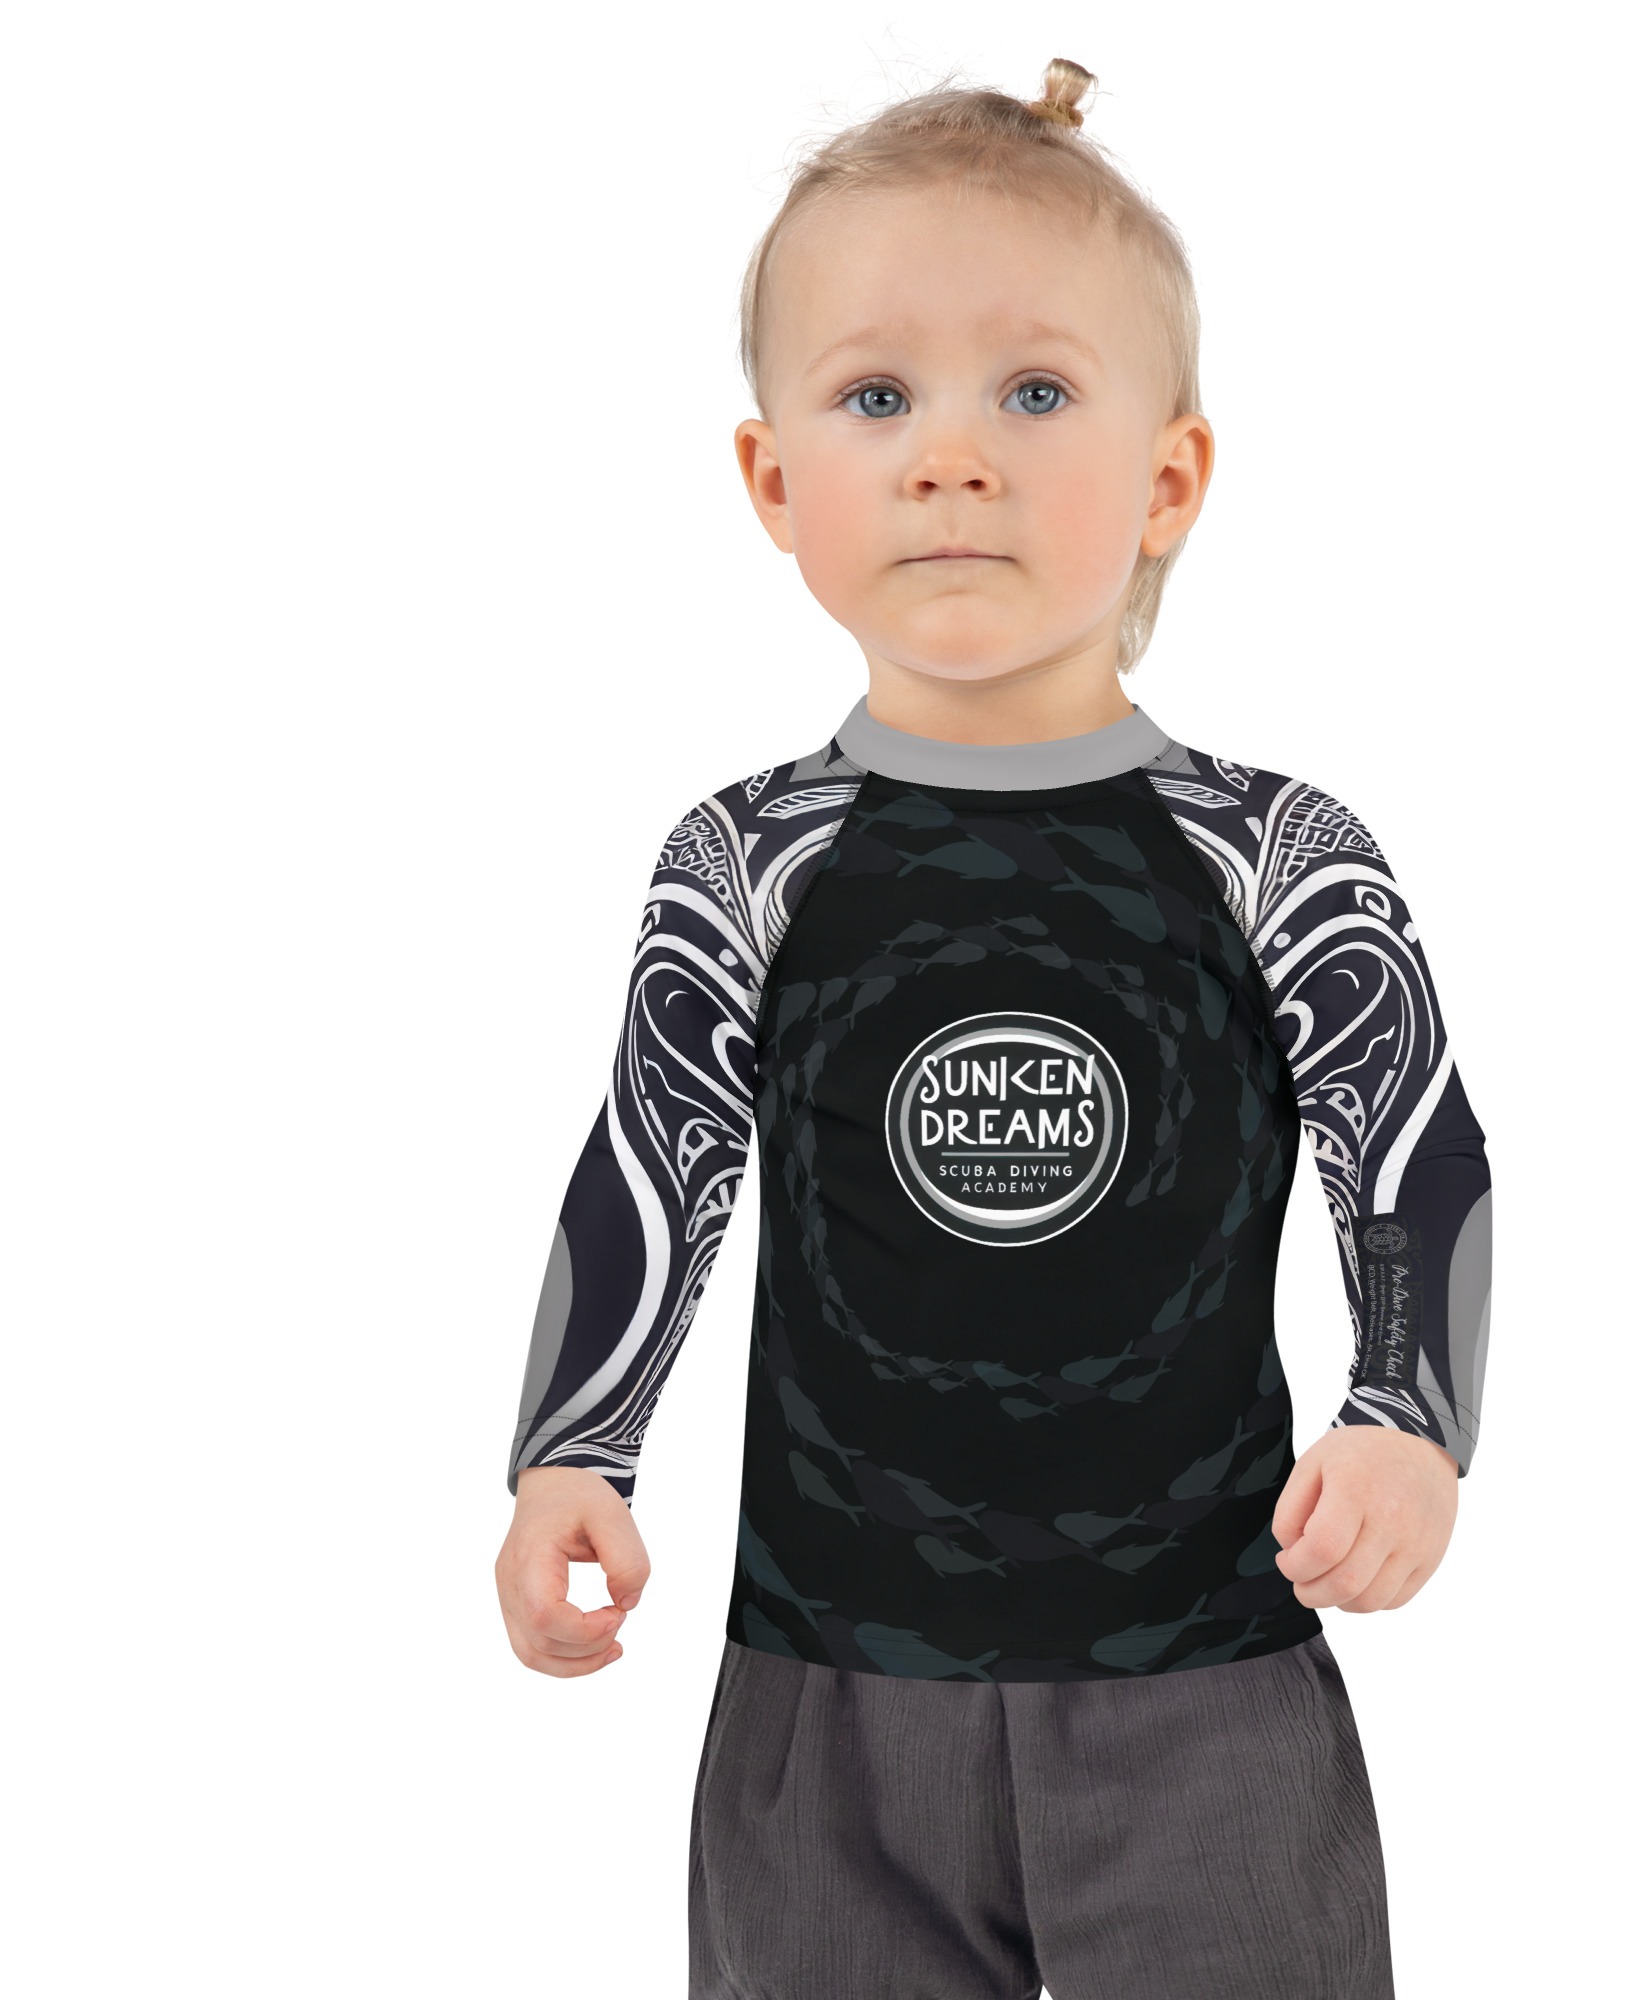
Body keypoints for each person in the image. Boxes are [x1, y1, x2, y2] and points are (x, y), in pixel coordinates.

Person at [494, 55, 1492, 2000]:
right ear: (774, 482)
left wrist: (1409, 1416)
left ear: (1169, 477)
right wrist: (570, 1447)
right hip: (825, 1691)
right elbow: (649, 1164)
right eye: (877, 396)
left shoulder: (1273, 855)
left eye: (1033, 392)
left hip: (1204, 1672)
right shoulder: (747, 862)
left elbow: (1415, 1144)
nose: (951, 458)